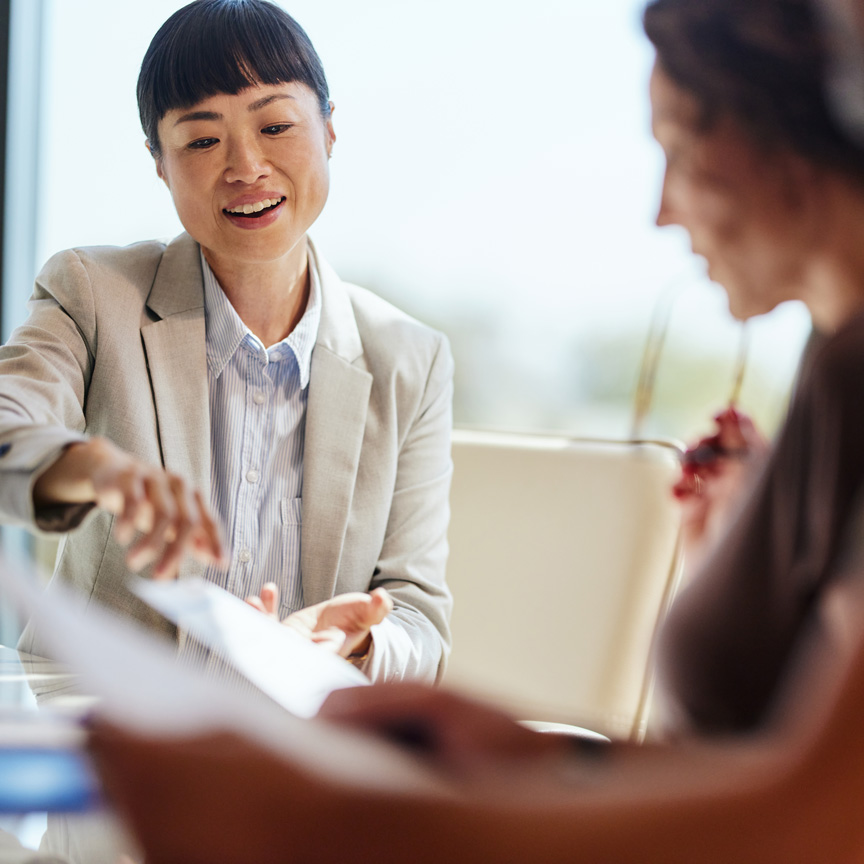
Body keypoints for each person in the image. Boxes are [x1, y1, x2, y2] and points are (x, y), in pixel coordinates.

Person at [83, 0, 864, 860]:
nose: (662, 213)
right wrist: (532, 753)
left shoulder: (408, 359)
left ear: (788, 128)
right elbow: (752, 773)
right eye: (200, 139)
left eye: (679, 148)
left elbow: (819, 817)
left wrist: (337, 818)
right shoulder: (834, 370)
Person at [0, 0, 453, 682]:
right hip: (103, 721)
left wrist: (352, 647)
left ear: (330, 130)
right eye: (202, 140)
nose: (246, 166)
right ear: (159, 161)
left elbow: (419, 617)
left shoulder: (408, 360)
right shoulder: (92, 292)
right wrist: (92, 468)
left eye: (275, 125)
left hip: (291, 747)